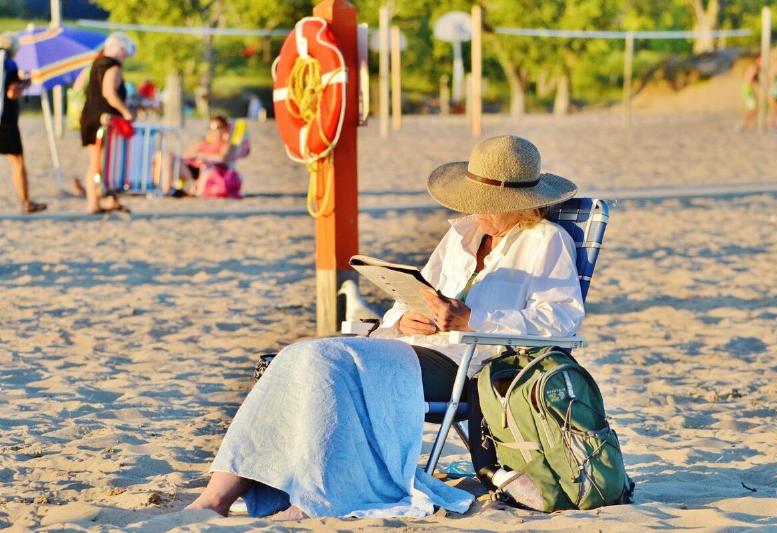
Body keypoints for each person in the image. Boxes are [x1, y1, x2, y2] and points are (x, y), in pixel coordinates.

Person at [186, 135, 584, 519]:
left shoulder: (547, 242)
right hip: (413, 348)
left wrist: (472, 320)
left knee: (328, 365)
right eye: (476, 201)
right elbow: (414, 297)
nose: (479, 211)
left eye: (491, 204)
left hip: (470, 366)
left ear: (523, 203)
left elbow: (562, 323)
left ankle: (316, 491)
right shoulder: (462, 234)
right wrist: (402, 321)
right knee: (299, 356)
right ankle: (217, 496)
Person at [79, 32, 136, 214]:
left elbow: (78, 86)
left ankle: (110, 199)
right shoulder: (113, 66)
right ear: (120, 49)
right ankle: (93, 203)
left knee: (101, 161)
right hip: (103, 120)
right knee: (100, 162)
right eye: (125, 53)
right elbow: (109, 93)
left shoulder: (95, 63)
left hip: (89, 116)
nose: (125, 57)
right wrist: (127, 113)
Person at [0, 33, 46, 214]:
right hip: (5, 119)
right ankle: (26, 202)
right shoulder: (9, 63)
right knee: (17, 160)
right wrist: (26, 83)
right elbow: (11, 93)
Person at [161, 115, 232, 196]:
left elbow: (221, 158)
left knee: (201, 164)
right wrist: (190, 156)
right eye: (211, 128)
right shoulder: (205, 142)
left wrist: (200, 156)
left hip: (205, 169)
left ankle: (190, 187)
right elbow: (188, 154)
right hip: (190, 167)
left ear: (225, 128)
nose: (214, 131)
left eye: (217, 127)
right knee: (168, 157)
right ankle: (167, 191)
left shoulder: (225, 144)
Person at [740, 55, 760, 131]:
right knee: (753, 108)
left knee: (754, 108)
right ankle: (744, 124)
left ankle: (752, 124)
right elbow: (749, 81)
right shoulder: (754, 68)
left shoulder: (755, 68)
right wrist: (753, 91)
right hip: (748, 89)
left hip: (747, 89)